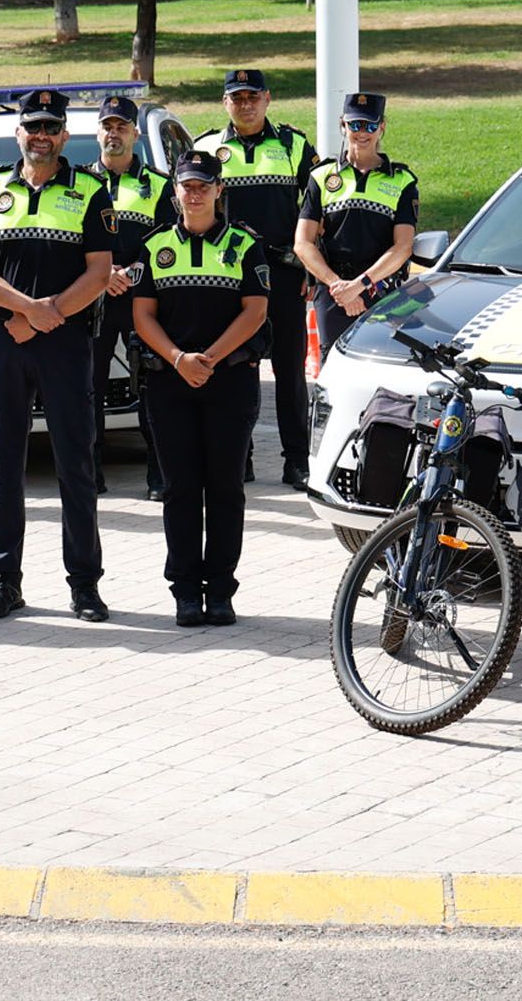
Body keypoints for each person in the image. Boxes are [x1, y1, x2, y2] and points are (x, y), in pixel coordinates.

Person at [0, 89, 115, 622]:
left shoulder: (91, 191)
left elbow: (99, 273)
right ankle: (4, 581)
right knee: (4, 464)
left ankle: (84, 585)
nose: (42, 136)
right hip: (7, 338)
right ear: (19, 134)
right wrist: (29, 311)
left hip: (66, 341)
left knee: (75, 464)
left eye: (51, 127)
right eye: (33, 127)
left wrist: (43, 317)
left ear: (65, 136)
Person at [132, 154, 271, 627]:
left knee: (226, 489)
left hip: (228, 382)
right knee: (181, 489)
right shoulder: (154, 246)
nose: (194, 194)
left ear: (218, 191)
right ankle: (186, 591)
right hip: (169, 384)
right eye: (187, 186)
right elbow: (142, 315)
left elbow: (255, 311)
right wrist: (179, 360)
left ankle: (221, 590)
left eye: (203, 186)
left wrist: (207, 359)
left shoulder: (244, 245)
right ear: (175, 191)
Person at [192, 69, 321, 487]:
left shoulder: (293, 145)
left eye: (252, 97)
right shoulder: (206, 147)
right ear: (225, 102)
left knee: (289, 373)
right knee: (233, 369)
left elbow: (319, 207)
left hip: (283, 273)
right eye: (237, 98)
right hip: (227, 278)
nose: (245, 105)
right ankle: (239, 458)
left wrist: (311, 266)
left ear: (267, 99)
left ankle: (296, 461)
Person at [295, 92, 419, 365]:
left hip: (381, 290)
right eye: (355, 125)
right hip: (334, 291)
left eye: (370, 125)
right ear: (343, 125)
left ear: (382, 127)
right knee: (333, 368)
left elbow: (403, 247)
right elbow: (302, 243)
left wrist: (361, 285)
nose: (362, 132)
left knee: (381, 367)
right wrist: (339, 286)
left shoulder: (402, 181)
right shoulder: (322, 176)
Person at [91, 94, 169, 500]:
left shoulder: (158, 184)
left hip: (142, 300)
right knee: (88, 388)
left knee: (151, 387)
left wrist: (129, 274)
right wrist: (104, 276)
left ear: (135, 134)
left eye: (121, 127)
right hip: (92, 300)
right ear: (98, 133)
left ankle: (158, 475)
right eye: (107, 126)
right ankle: (90, 472)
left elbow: (167, 243)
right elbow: (75, 242)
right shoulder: (80, 183)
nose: (114, 134)